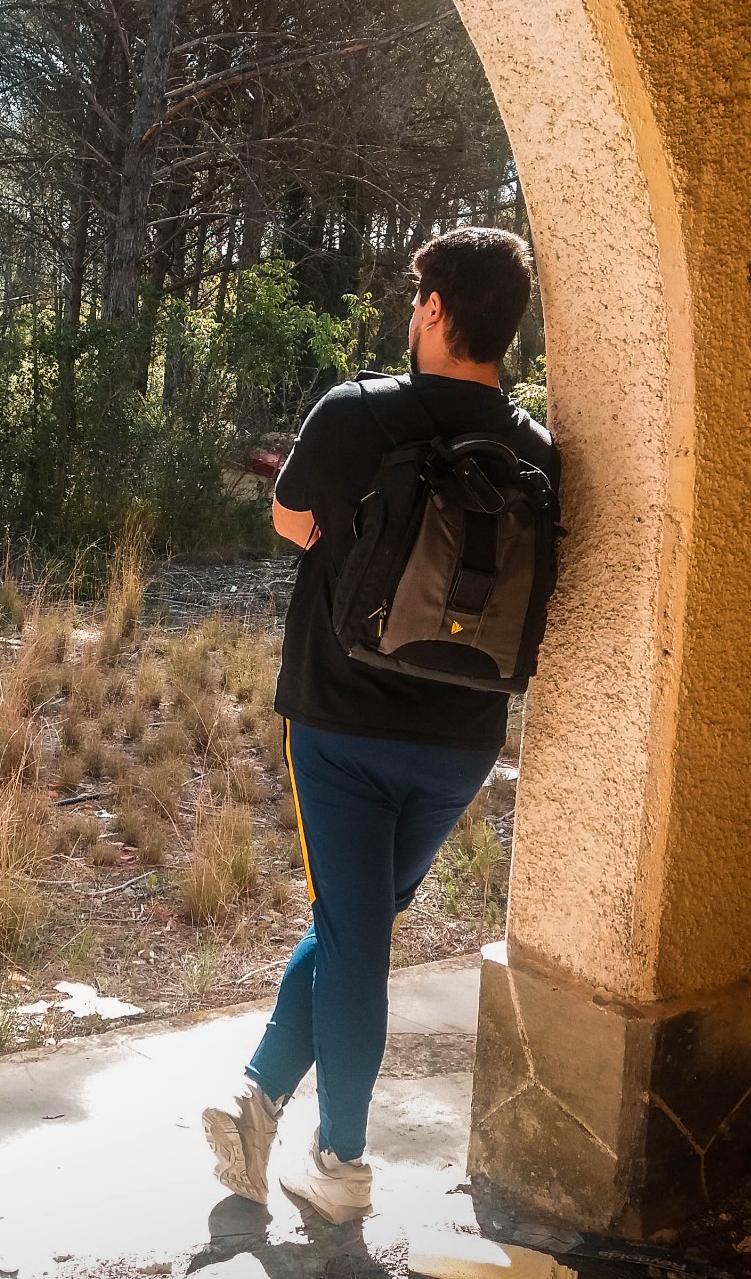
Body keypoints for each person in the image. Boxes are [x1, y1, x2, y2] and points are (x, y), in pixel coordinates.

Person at [201, 226, 556, 1222]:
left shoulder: (358, 411)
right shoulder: (537, 452)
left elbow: (290, 521)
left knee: (355, 939)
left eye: (416, 300)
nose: (412, 314)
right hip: (462, 742)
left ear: (435, 308)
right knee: (353, 922)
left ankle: (342, 1165)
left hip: (342, 724)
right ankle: (257, 1099)